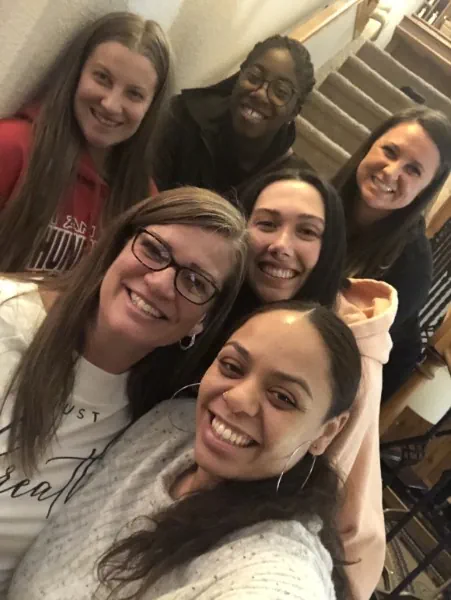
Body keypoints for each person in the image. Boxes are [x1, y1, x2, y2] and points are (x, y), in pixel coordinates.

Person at [9, 301, 362, 600]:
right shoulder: (168, 426)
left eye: (282, 397)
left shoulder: (274, 563)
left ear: (327, 432)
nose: (237, 399)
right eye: (232, 367)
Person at [162, 168, 395, 600]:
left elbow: (325, 499)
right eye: (267, 224)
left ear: (328, 248)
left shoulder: (348, 360)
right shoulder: (215, 300)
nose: (282, 245)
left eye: (307, 231)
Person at [0, 187, 247, 594]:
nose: (161, 283)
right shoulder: (9, 319)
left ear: (203, 321)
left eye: (195, 282)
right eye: (153, 250)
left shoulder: (156, 423)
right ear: (117, 245)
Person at [0, 12, 172, 273]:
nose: (111, 104)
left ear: (151, 109)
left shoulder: (144, 198)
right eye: (102, 78)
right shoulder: (11, 146)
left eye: (134, 94)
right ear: (77, 74)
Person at [332, 107, 451, 401]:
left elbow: (340, 351)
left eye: (413, 170)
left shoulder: (413, 265)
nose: (391, 171)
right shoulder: (319, 199)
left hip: (354, 378)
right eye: (390, 151)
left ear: (425, 189)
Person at [154, 35, 315, 196]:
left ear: (294, 112)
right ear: (240, 75)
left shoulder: (292, 185)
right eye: (254, 77)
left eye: (280, 92)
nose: (260, 94)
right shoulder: (183, 117)